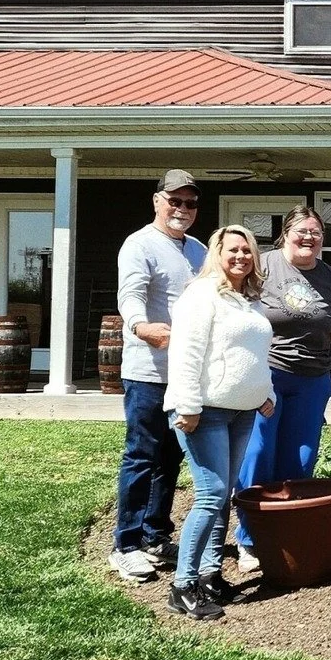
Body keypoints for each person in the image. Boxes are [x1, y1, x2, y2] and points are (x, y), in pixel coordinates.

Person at [230, 206, 331, 578]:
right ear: (286, 233)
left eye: (316, 232)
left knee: (300, 459)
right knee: (258, 453)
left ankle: (285, 534)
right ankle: (248, 538)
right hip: (266, 375)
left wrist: (305, 348)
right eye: (302, 230)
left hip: (312, 379)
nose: (309, 238)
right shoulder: (263, 267)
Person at [164, 226, 276, 622]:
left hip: (242, 411)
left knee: (223, 493)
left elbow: (256, 353)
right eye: (233, 250)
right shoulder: (201, 295)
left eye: (247, 250)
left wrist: (266, 392)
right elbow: (186, 353)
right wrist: (187, 405)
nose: (241, 256)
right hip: (204, 411)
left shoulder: (249, 300)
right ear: (217, 253)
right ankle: (182, 585)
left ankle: (210, 576)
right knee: (210, 494)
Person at [110, 169, 207, 584]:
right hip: (148, 372)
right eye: (175, 200)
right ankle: (126, 544)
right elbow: (130, 294)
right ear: (157, 201)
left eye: (190, 203)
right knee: (142, 455)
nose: (182, 209)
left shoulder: (200, 250)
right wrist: (140, 326)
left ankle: (155, 534)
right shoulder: (140, 244)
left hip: (186, 374)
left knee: (171, 457)